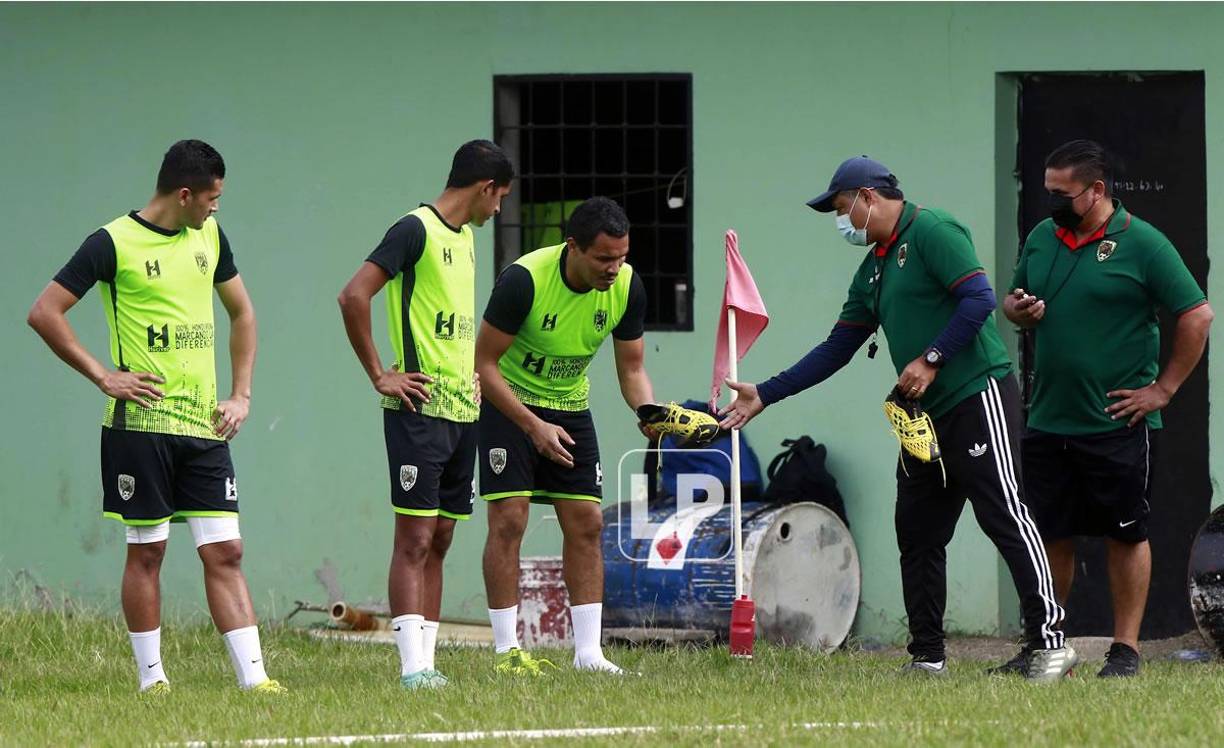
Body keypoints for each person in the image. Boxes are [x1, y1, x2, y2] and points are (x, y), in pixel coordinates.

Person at [718, 156, 1075, 682]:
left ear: (867, 197)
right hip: (921, 419)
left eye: (843, 209)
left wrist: (931, 359)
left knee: (1004, 514)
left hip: (975, 397)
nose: (843, 223)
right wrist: (766, 394)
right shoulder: (874, 270)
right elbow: (838, 347)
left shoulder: (934, 230)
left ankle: (1050, 645)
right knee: (918, 529)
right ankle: (928, 656)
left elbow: (977, 300)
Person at [26, 140, 283, 694]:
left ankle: (256, 681)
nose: (217, 208)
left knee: (227, 550)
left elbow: (243, 313)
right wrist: (103, 375)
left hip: (204, 428)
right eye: (212, 198)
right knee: (149, 552)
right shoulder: (112, 242)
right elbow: (45, 312)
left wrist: (241, 395)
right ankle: (152, 680)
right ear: (185, 194)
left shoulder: (210, 237)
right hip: (139, 428)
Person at [1002, 139, 1212, 678]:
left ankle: (1125, 650)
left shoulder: (1144, 244)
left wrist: (1162, 390)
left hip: (1117, 421)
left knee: (1125, 533)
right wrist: (1020, 311)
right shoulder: (1043, 238)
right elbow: (1012, 300)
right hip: (1049, 416)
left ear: (1097, 190)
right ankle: (1048, 645)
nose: (1051, 203)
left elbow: (1197, 316)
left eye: (1062, 194)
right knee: (1051, 534)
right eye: (1047, 191)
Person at [338, 140, 513, 689]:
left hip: (465, 411)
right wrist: (379, 375)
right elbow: (353, 296)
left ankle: (428, 662)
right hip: (418, 412)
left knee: (440, 538)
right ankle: (412, 667)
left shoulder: (464, 240)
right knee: (413, 540)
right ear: (485, 188)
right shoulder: (414, 229)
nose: (499, 211)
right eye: (500, 198)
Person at [475, 197, 651, 675]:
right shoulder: (524, 281)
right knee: (509, 520)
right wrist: (532, 426)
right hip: (508, 404)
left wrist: (648, 413)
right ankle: (507, 651)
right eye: (603, 259)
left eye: (622, 257)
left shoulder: (628, 287)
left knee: (588, 523)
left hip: (570, 407)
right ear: (572, 247)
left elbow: (632, 368)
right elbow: (483, 365)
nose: (614, 268)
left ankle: (589, 654)